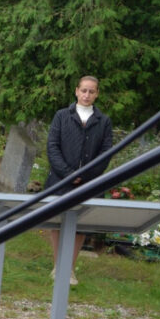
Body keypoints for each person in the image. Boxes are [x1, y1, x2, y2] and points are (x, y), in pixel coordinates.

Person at [45, 75, 113, 286]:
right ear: (76, 91)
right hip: (60, 180)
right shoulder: (62, 116)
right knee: (57, 222)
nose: (86, 95)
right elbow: (52, 147)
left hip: (89, 183)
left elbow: (106, 153)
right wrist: (68, 174)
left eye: (91, 91)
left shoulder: (103, 121)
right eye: (84, 90)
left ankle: (69, 269)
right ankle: (58, 266)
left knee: (80, 225)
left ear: (97, 94)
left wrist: (86, 176)